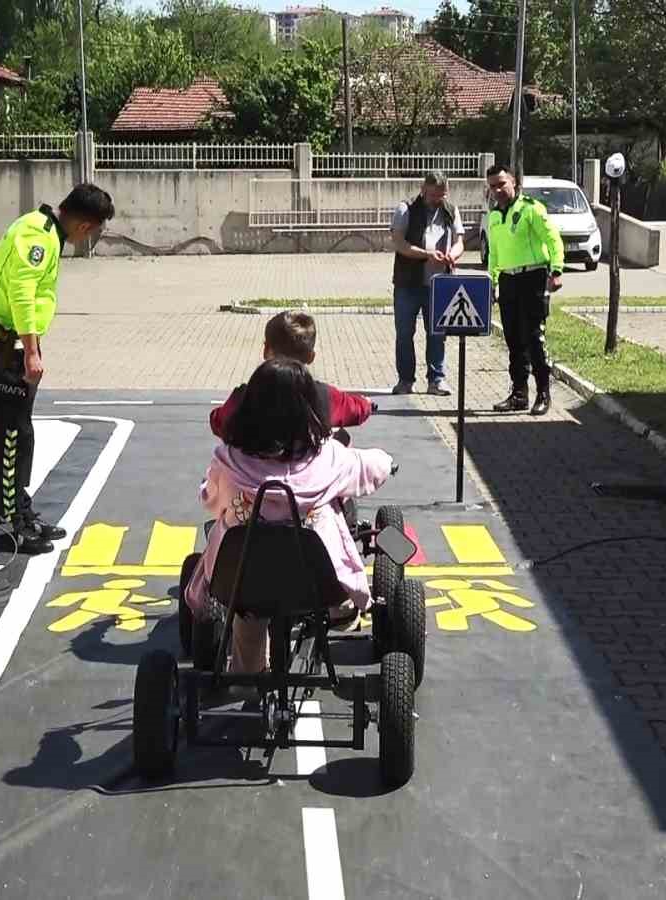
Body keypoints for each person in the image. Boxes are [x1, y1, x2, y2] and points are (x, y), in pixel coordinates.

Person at [185, 358, 395, 674]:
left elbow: (211, 499)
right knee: (328, 546)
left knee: (247, 612)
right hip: (317, 581)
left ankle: (247, 676)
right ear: (308, 407)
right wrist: (386, 462)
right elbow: (367, 467)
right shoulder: (329, 458)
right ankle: (342, 611)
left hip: (243, 577)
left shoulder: (229, 460)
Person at [0, 183, 115, 555]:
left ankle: (19, 511)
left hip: (15, 344)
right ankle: (8, 526)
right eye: (94, 229)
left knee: (19, 434)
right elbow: (21, 292)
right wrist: (31, 352)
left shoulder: (43, 231)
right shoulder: (37, 236)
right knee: (11, 437)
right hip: (7, 346)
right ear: (85, 225)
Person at [209, 310, 375, 440]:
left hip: (248, 477)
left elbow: (218, 421)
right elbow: (356, 409)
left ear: (266, 350)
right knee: (342, 440)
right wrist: (367, 404)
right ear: (311, 357)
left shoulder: (244, 397)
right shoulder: (325, 397)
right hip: (308, 478)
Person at [485, 164, 564, 415]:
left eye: (501, 183)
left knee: (534, 339)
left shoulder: (531, 208)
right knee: (513, 341)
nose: (498, 189)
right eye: (493, 186)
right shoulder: (494, 215)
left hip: (533, 277)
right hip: (508, 281)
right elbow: (494, 253)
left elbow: (553, 239)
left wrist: (557, 270)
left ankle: (543, 393)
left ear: (514, 182)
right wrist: (492, 281)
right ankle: (519, 394)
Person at [390, 172, 464, 397]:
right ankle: (405, 381)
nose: (437, 200)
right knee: (404, 334)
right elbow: (399, 243)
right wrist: (426, 254)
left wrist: (453, 254)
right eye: (433, 195)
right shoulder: (406, 209)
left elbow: (460, 241)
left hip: (440, 284)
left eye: (441, 195)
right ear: (423, 189)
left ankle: (436, 380)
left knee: (437, 333)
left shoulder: (451, 210)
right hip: (408, 283)